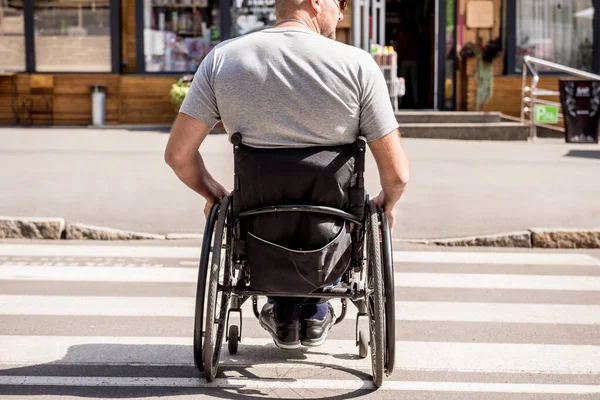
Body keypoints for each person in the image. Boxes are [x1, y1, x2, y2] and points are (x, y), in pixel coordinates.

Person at [164, 0, 410, 350]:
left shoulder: (224, 59)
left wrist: (215, 196)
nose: (342, 14)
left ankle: (284, 311)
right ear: (315, 2)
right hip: (332, 229)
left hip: (258, 228)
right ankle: (315, 309)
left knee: (267, 216)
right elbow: (397, 175)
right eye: (339, 4)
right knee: (339, 215)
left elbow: (177, 155)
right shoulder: (357, 65)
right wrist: (386, 204)